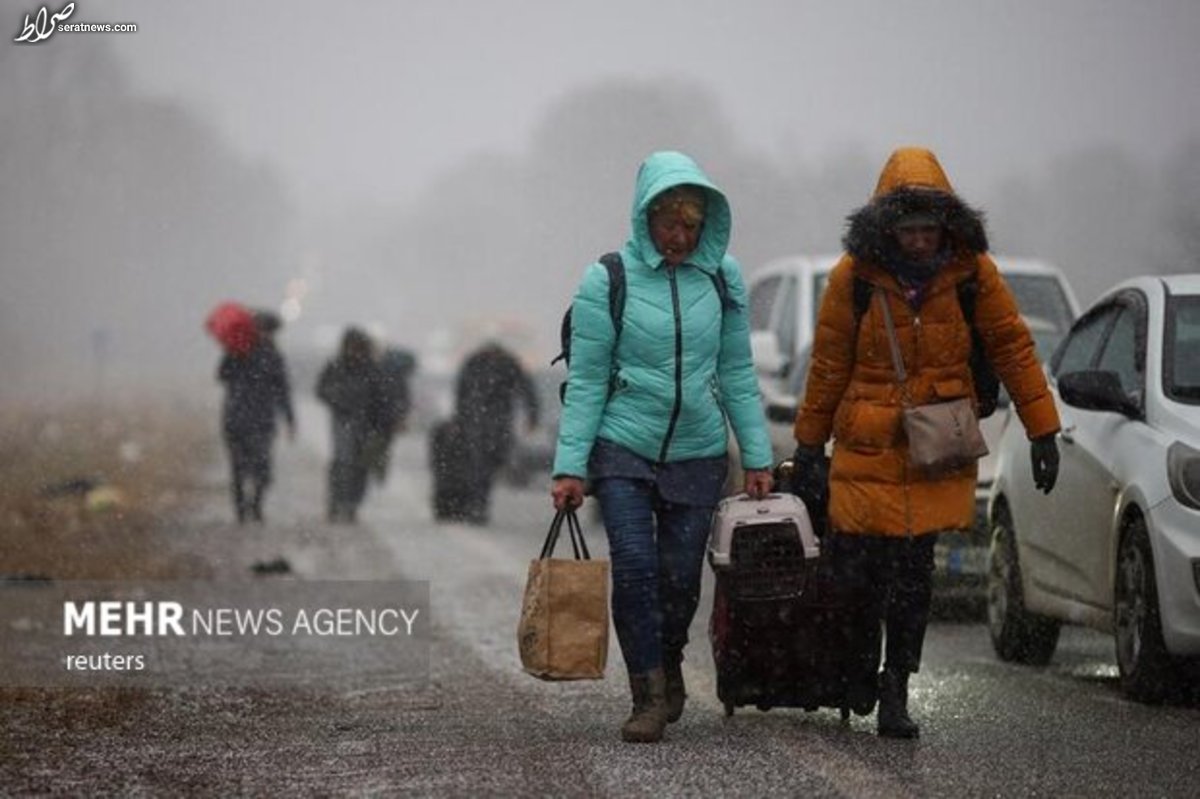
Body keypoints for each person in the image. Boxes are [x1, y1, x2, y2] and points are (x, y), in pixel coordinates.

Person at [791, 147, 1061, 738]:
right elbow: (829, 364)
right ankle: (859, 667)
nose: (918, 242)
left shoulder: (972, 274)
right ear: (887, 228)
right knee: (860, 575)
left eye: (928, 229)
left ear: (945, 226)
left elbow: (1013, 346)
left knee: (913, 578)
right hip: (865, 447)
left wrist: (1044, 428)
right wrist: (810, 446)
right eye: (907, 229)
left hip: (933, 446)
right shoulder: (854, 279)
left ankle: (895, 688)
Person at [551, 151, 774, 743]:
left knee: (680, 579)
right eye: (669, 223)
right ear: (645, 217)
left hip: (698, 450)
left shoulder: (723, 279)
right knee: (635, 567)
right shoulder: (608, 279)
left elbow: (736, 372)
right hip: (624, 446)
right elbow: (590, 378)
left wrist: (756, 457)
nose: (679, 237)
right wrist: (571, 467)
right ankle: (647, 691)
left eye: (690, 226)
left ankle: (667, 654)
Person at [216, 310, 295, 524]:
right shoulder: (236, 351)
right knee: (239, 468)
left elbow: (283, 390)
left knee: (262, 468)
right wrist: (233, 355)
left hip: (260, 421)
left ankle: (255, 505)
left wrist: (289, 419)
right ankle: (241, 509)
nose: (265, 334)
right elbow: (222, 376)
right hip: (237, 420)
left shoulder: (273, 355)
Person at [453, 341, 540, 524]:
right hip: (484, 418)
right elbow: (461, 391)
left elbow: (526, 389)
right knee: (481, 464)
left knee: (485, 463)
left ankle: (477, 503)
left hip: (489, 418)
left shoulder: (488, 363)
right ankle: (477, 504)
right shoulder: (491, 363)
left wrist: (533, 414)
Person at [316, 327, 382, 524]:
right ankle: (337, 502)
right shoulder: (336, 366)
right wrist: (337, 399)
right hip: (343, 419)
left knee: (361, 466)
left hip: (367, 422)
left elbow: (381, 396)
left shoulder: (371, 368)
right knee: (342, 462)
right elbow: (321, 390)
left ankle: (352, 504)